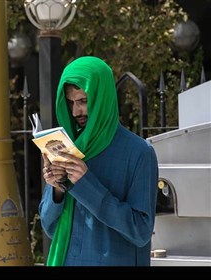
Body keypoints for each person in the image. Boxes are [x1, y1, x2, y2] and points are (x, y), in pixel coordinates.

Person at [39, 56, 158, 266]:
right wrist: (57, 189)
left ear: (101, 98)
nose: (76, 111)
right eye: (71, 103)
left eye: (83, 101)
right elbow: (49, 226)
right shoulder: (69, 148)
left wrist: (85, 184)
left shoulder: (139, 152)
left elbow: (140, 231)